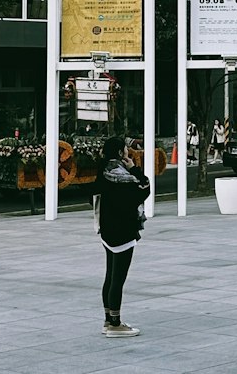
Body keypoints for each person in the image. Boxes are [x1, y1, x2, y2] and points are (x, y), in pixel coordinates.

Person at [94, 135, 150, 339]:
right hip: (123, 230)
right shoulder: (124, 177)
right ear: (120, 153)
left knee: (110, 275)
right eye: (125, 149)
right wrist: (134, 168)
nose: (128, 151)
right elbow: (144, 189)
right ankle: (115, 324)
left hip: (107, 229)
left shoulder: (103, 171)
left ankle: (108, 319)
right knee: (119, 277)